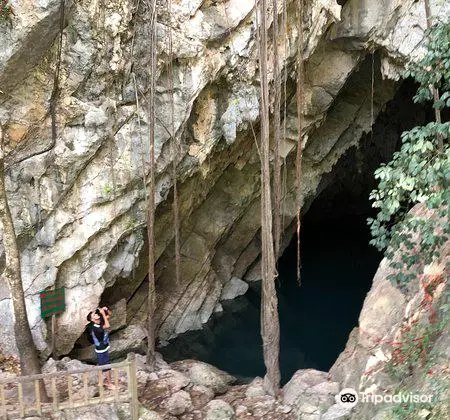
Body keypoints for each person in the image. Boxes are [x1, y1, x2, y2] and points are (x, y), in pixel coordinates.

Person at [86, 306, 116, 390]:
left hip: (104, 347)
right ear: (92, 319)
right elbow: (107, 325)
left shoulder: (100, 322)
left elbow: (109, 315)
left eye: (95, 313)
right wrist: (102, 314)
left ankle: (102, 381)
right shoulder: (95, 328)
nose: (96, 314)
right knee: (106, 366)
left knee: (104, 364)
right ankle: (109, 384)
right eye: (94, 315)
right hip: (101, 350)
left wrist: (106, 310)